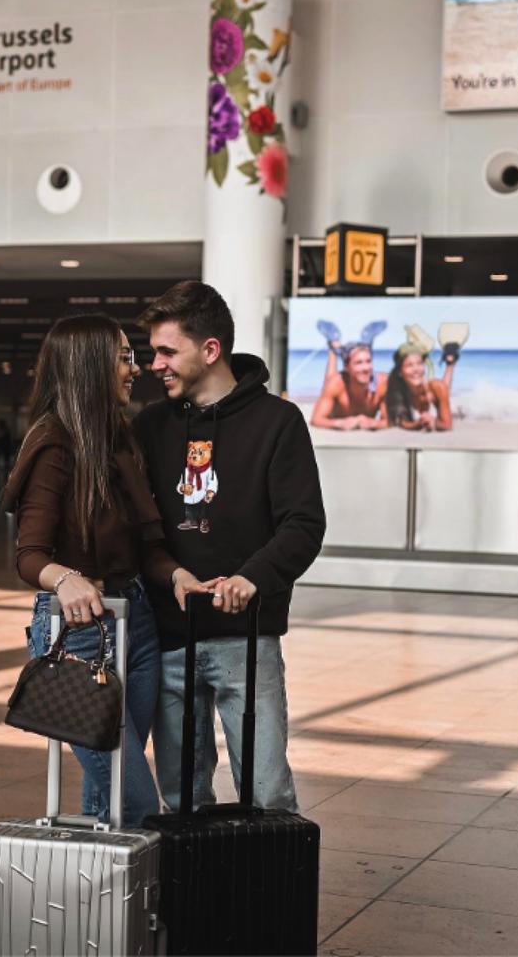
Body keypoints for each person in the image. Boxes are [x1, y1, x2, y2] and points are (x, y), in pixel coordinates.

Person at [1, 313, 215, 824]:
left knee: (107, 796)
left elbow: (147, 548)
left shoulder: (118, 440)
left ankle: (108, 902)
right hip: (79, 638)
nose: (136, 368)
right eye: (124, 357)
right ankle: (143, 899)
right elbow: (29, 554)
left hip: (136, 623)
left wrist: (175, 574)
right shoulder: (54, 444)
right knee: (134, 799)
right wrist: (66, 577)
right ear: (90, 364)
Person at [134, 281, 326, 811]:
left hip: (247, 639)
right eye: (153, 352)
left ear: (210, 350)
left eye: (168, 351)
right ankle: (195, 896)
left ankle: (268, 895)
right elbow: (139, 528)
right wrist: (172, 573)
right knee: (180, 799)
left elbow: (304, 524)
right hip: (171, 637)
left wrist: (251, 578)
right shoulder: (150, 426)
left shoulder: (277, 422)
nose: (155, 364)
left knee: (266, 795)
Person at [309, 342, 387, 431]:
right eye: (359, 363)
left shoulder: (382, 383)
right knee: (331, 380)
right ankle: (333, 351)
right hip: (337, 407)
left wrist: (374, 423)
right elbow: (316, 420)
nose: (366, 368)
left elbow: (390, 421)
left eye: (368, 361)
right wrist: (340, 423)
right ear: (346, 366)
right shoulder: (336, 384)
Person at [384, 343, 456, 432]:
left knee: (444, 388)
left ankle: (450, 364)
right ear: (400, 372)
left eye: (420, 363)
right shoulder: (397, 391)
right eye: (409, 365)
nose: (416, 369)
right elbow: (402, 423)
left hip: (457, 411)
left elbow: (447, 425)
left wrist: (433, 422)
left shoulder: (437, 388)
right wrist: (418, 424)